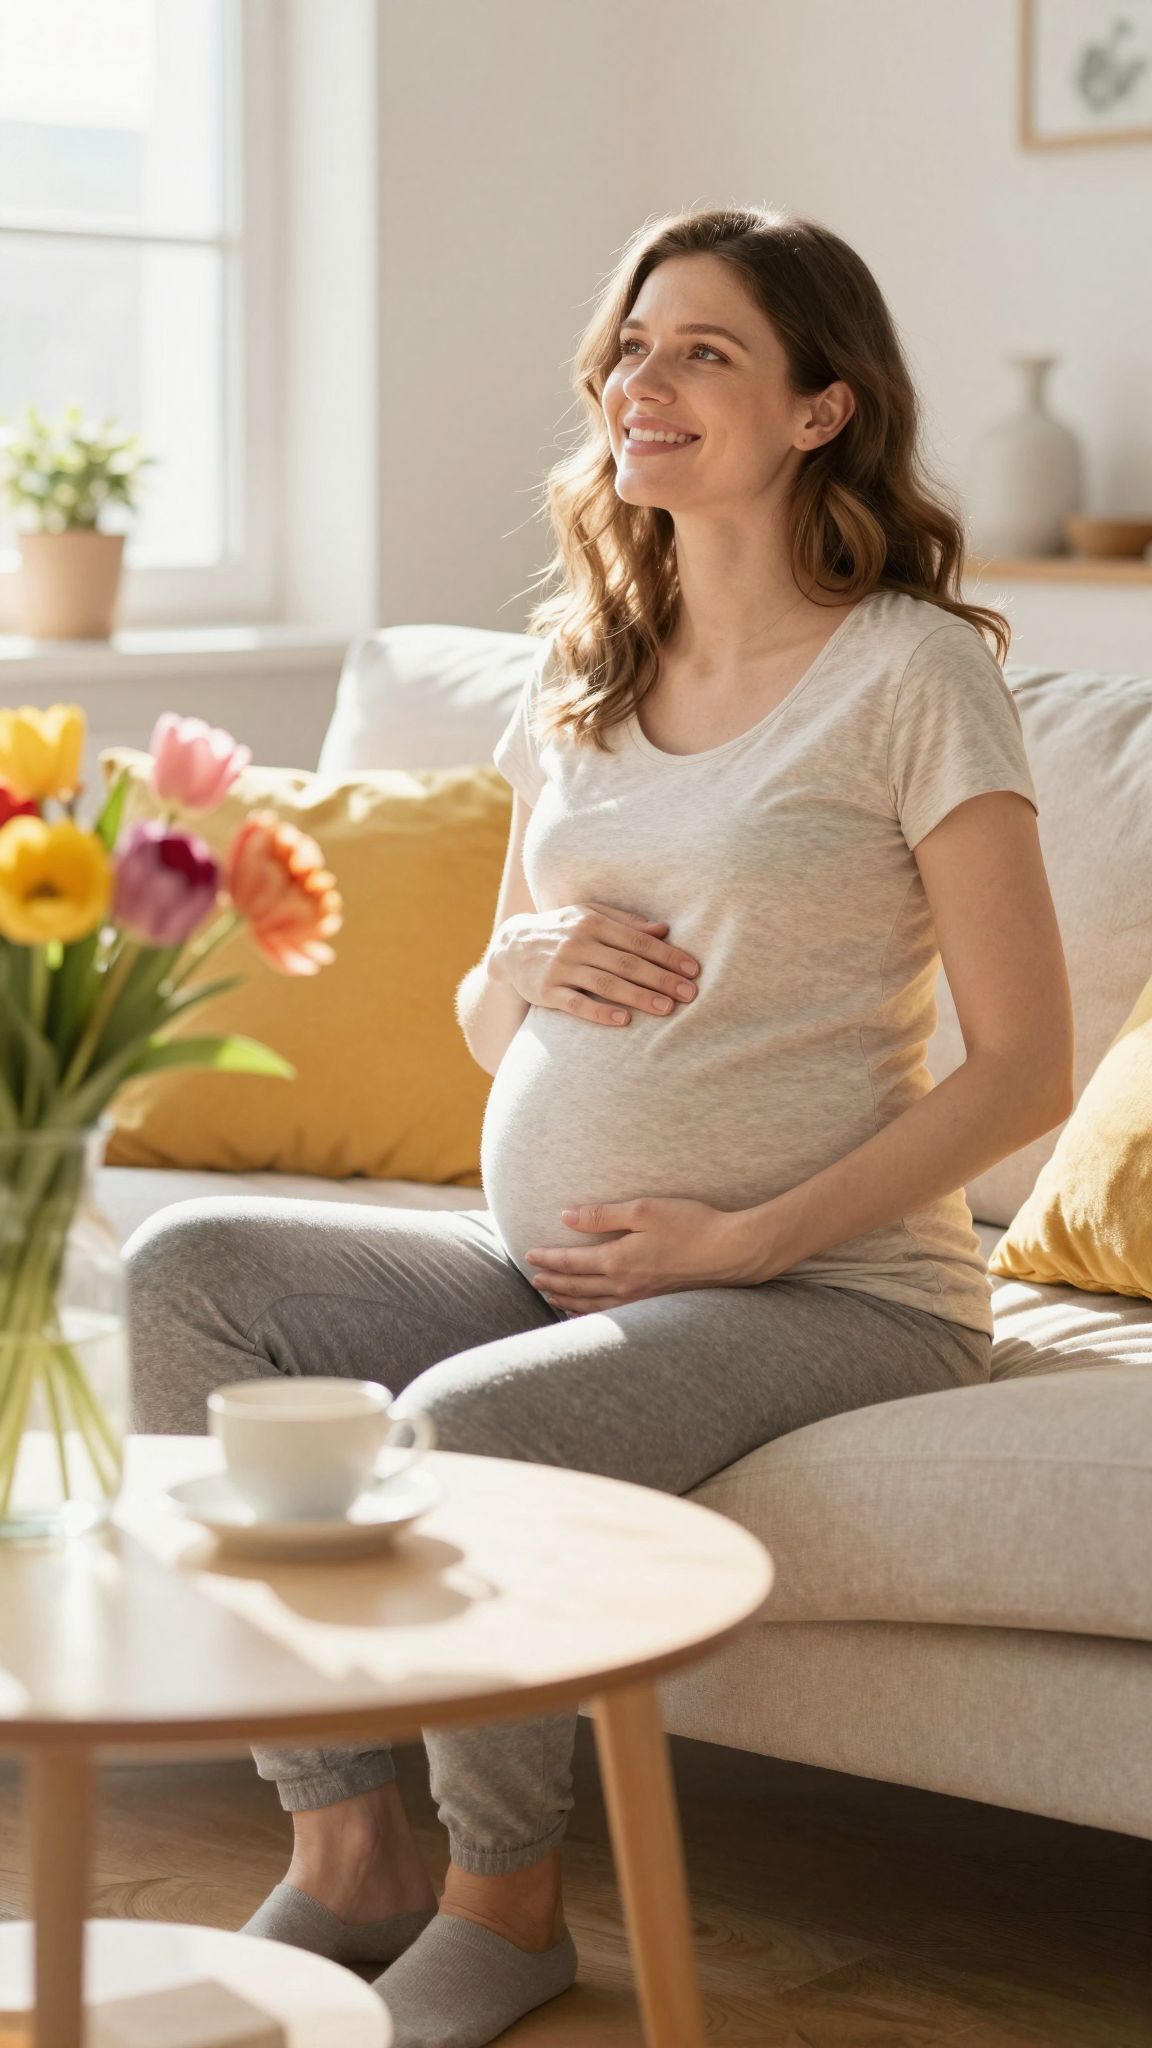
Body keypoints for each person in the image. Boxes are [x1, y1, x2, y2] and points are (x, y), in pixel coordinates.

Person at [123, 203, 1075, 2048]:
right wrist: (523, 962)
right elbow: (493, 1024)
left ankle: (506, 1900)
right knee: (193, 1274)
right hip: (548, 1258)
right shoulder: (584, 667)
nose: (645, 381)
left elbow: (1025, 1068)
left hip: (829, 1292)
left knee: (474, 1428)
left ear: (821, 408)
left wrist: (748, 1237)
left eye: (705, 351)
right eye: (633, 346)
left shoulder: (912, 673)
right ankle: (347, 1844)